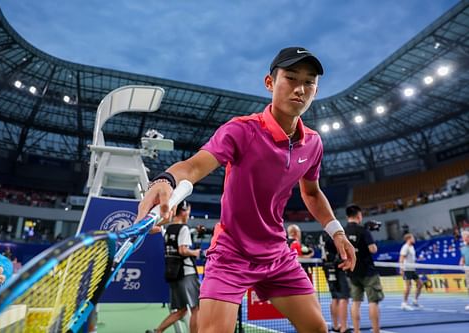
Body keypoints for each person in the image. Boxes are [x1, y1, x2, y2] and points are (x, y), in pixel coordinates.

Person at [137, 46, 356, 333]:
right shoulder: (241, 130)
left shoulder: (313, 144)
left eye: (309, 82)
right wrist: (164, 180)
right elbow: (193, 167)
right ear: (270, 83)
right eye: (291, 78)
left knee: (317, 328)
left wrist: (337, 231)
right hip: (231, 254)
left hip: (277, 254)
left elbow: (312, 193)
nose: (300, 89)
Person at [147, 201, 201, 333]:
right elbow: (182, 250)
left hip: (173, 273)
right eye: (188, 210)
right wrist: (196, 252)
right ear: (183, 211)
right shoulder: (184, 228)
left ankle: (158, 331)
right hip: (186, 273)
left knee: (181, 310)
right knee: (196, 308)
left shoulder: (169, 229)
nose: (189, 214)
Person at [344, 204, 383, 333]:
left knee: (355, 302)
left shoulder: (343, 232)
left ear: (347, 217)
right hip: (368, 271)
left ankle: (356, 331)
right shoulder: (363, 230)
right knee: (373, 302)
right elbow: (373, 249)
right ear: (359, 216)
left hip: (352, 271)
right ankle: (376, 331)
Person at [320, 232, 351, 333]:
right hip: (338, 266)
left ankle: (335, 325)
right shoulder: (334, 234)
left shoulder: (322, 236)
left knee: (335, 297)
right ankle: (343, 327)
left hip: (327, 266)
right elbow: (340, 249)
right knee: (343, 297)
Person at [399, 233, 422, 310]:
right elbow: (401, 258)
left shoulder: (412, 247)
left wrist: (418, 259)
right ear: (409, 239)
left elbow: (411, 258)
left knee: (420, 284)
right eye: (413, 238)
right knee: (408, 286)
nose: (414, 239)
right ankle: (404, 303)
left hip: (412, 269)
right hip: (406, 269)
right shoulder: (405, 247)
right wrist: (401, 269)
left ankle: (415, 301)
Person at [460, 230, 469, 311]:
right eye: (462, 237)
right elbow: (463, 258)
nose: (463, 238)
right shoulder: (462, 248)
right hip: (467, 269)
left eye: (464, 236)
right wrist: (461, 262)